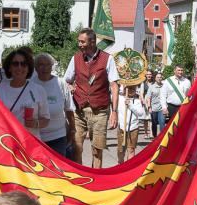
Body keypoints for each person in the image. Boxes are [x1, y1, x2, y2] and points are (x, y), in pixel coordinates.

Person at [63, 28, 118, 168]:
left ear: (92, 42)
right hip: (79, 110)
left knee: (97, 150)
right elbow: (66, 81)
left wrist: (114, 112)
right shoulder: (75, 58)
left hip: (100, 111)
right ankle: (81, 176)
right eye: (79, 41)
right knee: (76, 147)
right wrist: (69, 87)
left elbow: (114, 86)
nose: (79, 44)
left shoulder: (108, 59)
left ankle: (96, 176)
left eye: (82, 42)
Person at [0, 48, 49, 139]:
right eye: (15, 64)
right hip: (7, 142)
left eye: (23, 64)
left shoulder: (39, 90)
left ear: (28, 68)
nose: (19, 67)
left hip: (30, 142)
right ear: (9, 68)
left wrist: (35, 123)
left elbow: (46, 119)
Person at [31, 52, 74, 156]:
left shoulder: (60, 83)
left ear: (52, 67)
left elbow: (69, 109)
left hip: (58, 137)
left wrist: (72, 130)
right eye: (41, 65)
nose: (45, 68)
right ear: (35, 68)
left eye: (48, 64)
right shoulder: (30, 84)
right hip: (36, 137)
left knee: (58, 165)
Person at [115, 85, 149, 163]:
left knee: (131, 149)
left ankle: (128, 167)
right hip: (122, 128)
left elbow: (141, 113)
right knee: (120, 150)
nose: (131, 90)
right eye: (129, 88)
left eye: (133, 89)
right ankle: (120, 164)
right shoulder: (119, 98)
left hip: (133, 128)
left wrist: (130, 105)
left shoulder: (137, 101)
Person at [146, 72, 165, 137]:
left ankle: (162, 137)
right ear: (155, 78)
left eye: (160, 77)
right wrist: (149, 107)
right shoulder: (151, 87)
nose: (159, 78)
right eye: (158, 77)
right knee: (154, 123)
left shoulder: (164, 86)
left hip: (162, 108)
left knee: (162, 122)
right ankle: (155, 137)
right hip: (153, 108)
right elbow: (148, 97)